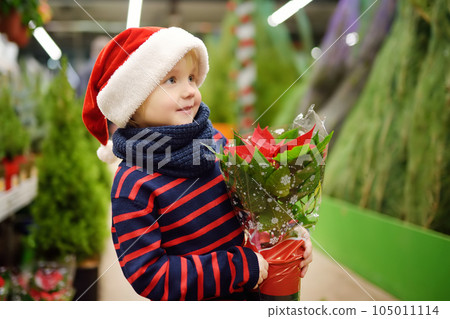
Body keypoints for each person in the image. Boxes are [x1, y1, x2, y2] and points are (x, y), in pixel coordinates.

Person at [82, 26, 312, 300]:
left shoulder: (215, 141)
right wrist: (236, 269)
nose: (190, 90)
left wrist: (286, 234)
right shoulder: (133, 184)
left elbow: (251, 205)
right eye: (171, 80)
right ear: (134, 100)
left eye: (191, 78)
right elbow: (149, 275)